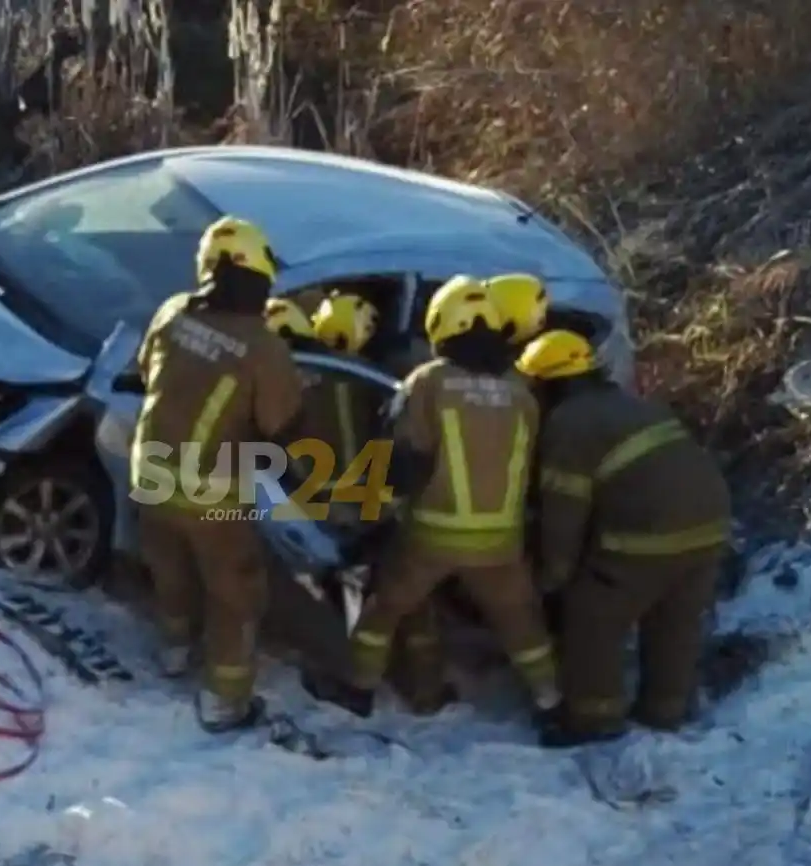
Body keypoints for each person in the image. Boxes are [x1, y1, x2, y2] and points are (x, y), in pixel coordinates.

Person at [301, 275, 562, 724]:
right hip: (501, 541)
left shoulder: (429, 382)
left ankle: (357, 690)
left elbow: (406, 461)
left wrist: (375, 517)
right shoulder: (523, 394)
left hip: (433, 535)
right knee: (522, 625)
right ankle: (552, 704)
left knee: (384, 608)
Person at [516, 330, 732, 747]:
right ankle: (665, 711)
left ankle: (593, 719)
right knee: (674, 622)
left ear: (546, 384)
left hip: (649, 531)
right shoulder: (631, 405)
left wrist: (552, 576)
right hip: (710, 524)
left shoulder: (569, 421)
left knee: (592, 619)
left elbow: (564, 510)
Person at [131, 216, 306, 733]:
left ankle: (174, 649)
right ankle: (224, 699)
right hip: (212, 493)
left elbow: (147, 372)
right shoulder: (264, 347)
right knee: (235, 592)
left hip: (150, 473)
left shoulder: (173, 313)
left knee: (170, 567)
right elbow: (282, 429)